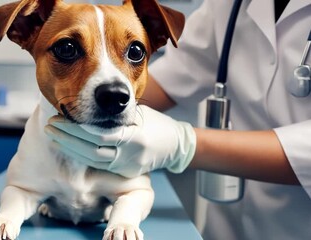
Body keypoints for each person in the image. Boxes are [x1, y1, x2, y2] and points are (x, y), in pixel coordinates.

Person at [44, 0, 311, 239]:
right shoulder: (230, 4)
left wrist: (185, 144)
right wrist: (84, 100)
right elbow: (179, 71)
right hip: (227, 225)